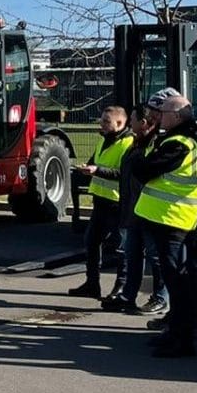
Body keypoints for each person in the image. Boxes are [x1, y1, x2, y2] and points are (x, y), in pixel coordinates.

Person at [134, 87, 197, 358]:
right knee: (179, 279)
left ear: (176, 116)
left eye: (163, 113)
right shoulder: (186, 138)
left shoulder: (178, 143)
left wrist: (140, 157)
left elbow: (145, 169)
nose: (158, 118)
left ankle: (183, 338)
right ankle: (176, 330)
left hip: (172, 219)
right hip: (175, 218)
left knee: (178, 280)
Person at [104, 106, 169, 315]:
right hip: (133, 209)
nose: (130, 124)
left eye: (132, 120)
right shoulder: (135, 144)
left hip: (149, 210)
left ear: (144, 123)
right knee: (132, 255)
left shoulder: (154, 145)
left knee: (155, 256)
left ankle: (161, 297)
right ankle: (128, 296)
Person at [68, 106, 132, 299]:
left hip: (117, 202)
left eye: (106, 121)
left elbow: (124, 174)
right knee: (92, 241)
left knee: (121, 247)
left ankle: (121, 286)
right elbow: (95, 162)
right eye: (101, 120)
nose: (101, 124)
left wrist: (97, 171)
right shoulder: (104, 140)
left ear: (120, 123)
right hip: (101, 200)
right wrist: (85, 169)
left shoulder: (128, 143)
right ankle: (92, 283)